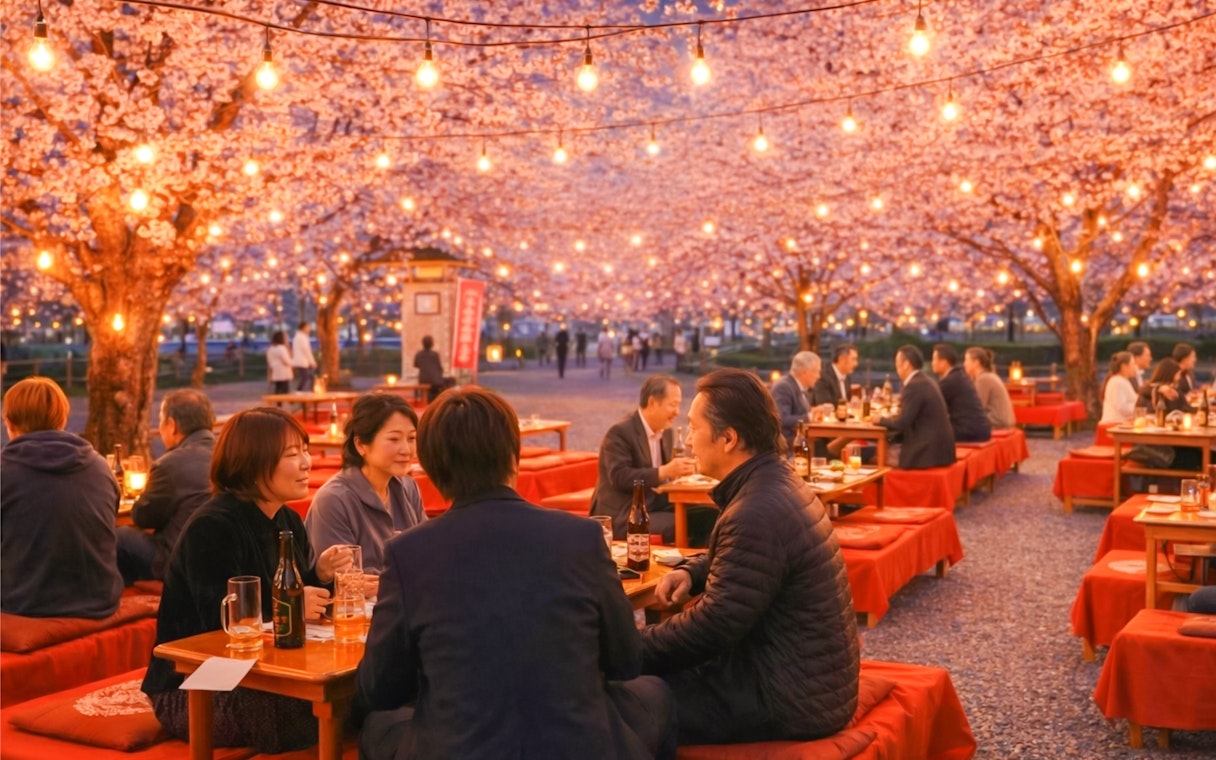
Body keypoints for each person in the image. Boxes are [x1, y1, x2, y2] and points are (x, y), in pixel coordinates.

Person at [355, 387, 677, 760]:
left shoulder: (408, 553)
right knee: (655, 693)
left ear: (432, 466)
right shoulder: (580, 537)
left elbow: (381, 689)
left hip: (460, 744)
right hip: (575, 743)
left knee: (377, 727)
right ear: (514, 456)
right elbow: (625, 660)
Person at [641, 369, 859, 745]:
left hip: (787, 697)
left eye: (693, 428)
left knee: (625, 700)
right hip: (806, 678)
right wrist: (692, 572)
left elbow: (714, 625)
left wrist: (629, 648)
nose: (688, 440)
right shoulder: (775, 480)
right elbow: (750, 561)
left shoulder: (755, 510)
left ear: (728, 438)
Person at [142, 407, 354, 754]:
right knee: (303, 711)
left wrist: (322, 577)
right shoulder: (214, 526)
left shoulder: (288, 520)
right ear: (252, 463)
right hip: (199, 683)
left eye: (305, 451)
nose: (306, 463)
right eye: (292, 454)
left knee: (362, 683)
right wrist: (292, 607)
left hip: (269, 672)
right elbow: (219, 625)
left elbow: (295, 598)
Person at [1, 377, 123, 618]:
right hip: (100, 600)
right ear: (62, 420)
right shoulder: (100, 466)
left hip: (24, 604)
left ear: (9, 423)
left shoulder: (4, 471)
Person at [306, 393, 426, 574]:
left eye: (411, 438)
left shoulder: (409, 488)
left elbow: (426, 552)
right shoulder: (334, 500)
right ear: (361, 445)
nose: (406, 450)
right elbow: (343, 578)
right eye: (394, 439)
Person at [590, 375, 710, 544]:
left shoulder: (666, 431)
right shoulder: (620, 432)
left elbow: (665, 476)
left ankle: (702, 559)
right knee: (682, 524)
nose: (677, 412)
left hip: (656, 504)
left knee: (710, 515)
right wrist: (664, 472)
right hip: (625, 513)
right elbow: (619, 477)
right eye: (673, 405)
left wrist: (680, 472)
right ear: (653, 402)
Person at [117, 389, 216, 586]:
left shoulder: (170, 464)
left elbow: (143, 517)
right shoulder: (229, 452)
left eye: (161, 422)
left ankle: (119, 594)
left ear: (171, 425)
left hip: (179, 560)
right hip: (222, 556)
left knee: (119, 536)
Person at [879, 345, 956, 469]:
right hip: (939, 450)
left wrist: (879, 420)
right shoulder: (925, 380)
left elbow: (902, 423)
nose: (895, 366)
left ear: (906, 364)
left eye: (897, 362)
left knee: (866, 453)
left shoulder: (914, 386)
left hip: (926, 453)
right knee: (876, 447)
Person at [931, 344, 991, 443]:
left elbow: (929, 404)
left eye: (934, 359)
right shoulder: (960, 376)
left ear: (944, 362)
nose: (932, 363)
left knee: (927, 432)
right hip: (980, 429)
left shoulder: (950, 381)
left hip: (969, 431)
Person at [771, 351, 820, 449]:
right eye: (816, 371)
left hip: (801, 441)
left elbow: (799, 411)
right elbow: (782, 419)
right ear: (805, 372)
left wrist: (813, 411)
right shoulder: (784, 387)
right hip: (786, 446)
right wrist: (810, 416)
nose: (818, 376)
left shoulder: (799, 387)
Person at [963, 347, 1015, 430]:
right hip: (1000, 420)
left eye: (966, 360)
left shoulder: (983, 379)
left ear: (976, 362)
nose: (964, 364)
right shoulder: (988, 376)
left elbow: (977, 407)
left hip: (998, 422)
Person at [1098, 352, 1139, 425]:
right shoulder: (1117, 382)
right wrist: (1139, 409)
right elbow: (1122, 407)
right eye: (1133, 364)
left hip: (1121, 423)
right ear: (1124, 366)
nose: (1136, 367)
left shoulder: (1123, 381)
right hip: (1114, 424)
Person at [813, 344, 858, 408]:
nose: (856, 364)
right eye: (853, 359)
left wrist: (853, 401)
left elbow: (847, 400)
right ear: (841, 359)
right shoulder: (823, 377)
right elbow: (825, 405)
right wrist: (846, 405)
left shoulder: (847, 377)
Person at [413, 335, 445, 402]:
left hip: (423, 380)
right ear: (432, 344)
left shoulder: (419, 354)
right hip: (436, 381)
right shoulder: (435, 354)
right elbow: (440, 367)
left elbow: (416, 365)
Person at [291, 322, 317, 391]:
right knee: (306, 377)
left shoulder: (297, 337)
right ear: (304, 328)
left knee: (308, 377)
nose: (309, 329)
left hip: (300, 361)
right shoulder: (302, 338)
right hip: (302, 361)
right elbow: (306, 350)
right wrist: (312, 361)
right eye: (308, 327)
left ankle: (307, 390)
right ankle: (299, 390)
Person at [266, 330, 293, 394]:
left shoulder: (270, 349)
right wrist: (292, 362)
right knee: (284, 391)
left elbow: (269, 361)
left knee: (278, 389)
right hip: (283, 373)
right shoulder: (282, 348)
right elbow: (287, 361)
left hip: (275, 372)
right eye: (285, 337)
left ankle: (277, 400)